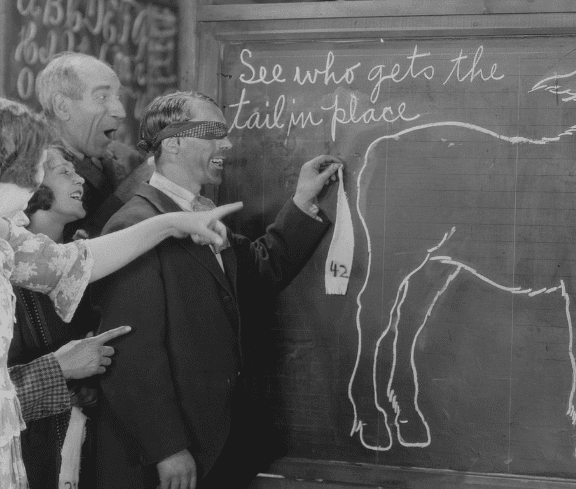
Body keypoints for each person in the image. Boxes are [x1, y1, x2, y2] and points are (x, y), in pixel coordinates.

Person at [89, 91, 340, 489]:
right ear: (173, 143)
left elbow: (259, 269)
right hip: (176, 456)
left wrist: (303, 199)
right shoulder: (135, 226)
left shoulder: (199, 211)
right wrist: (167, 448)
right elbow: (132, 352)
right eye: (213, 133)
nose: (227, 144)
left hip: (220, 443)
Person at [0, 98, 237, 489]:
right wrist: (57, 370)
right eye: (30, 176)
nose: (32, 195)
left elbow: (77, 261)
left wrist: (172, 222)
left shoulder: (9, 239)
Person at [9, 146, 129, 489]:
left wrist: (90, 388)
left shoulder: (91, 263)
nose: (80, 179)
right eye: (64, 172)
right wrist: (61, 370)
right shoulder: (9, 275)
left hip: (87, 456)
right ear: (29, 186)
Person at [35, 53, 152, 237]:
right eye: (102, 97)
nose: (120, 112)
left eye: (117, 97)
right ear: (62, 106)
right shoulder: (31, 168)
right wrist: (133, 186)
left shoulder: (129, 158)